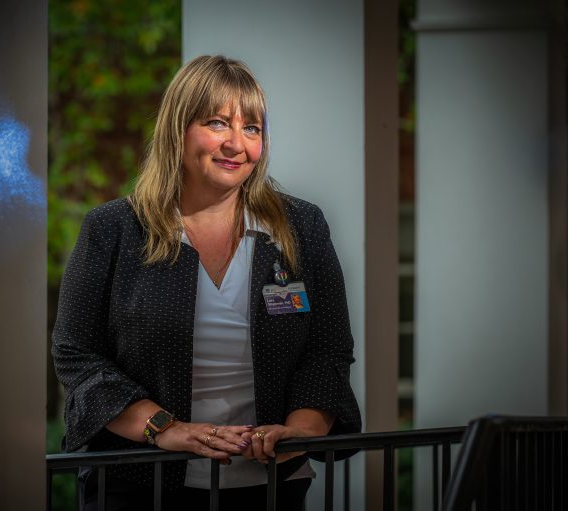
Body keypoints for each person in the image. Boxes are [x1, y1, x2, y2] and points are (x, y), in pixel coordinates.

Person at [52, 55, 361, 511]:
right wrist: (166, 429)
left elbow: (328, 349)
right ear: (178, 129)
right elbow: (75, 353)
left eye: (252, 129)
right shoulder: (114, 228)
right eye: (218, 123)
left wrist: (302, 431)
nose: (237, 144)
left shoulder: (301, 226)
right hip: (140, 485)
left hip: (272, 488)